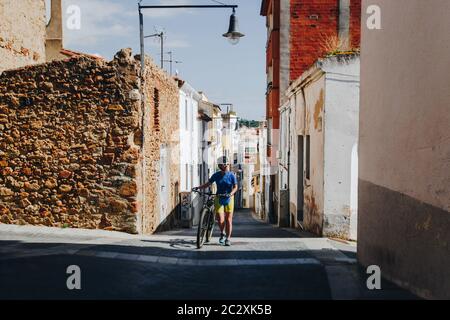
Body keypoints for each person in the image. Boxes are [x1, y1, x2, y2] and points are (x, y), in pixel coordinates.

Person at [194, 156, 238, 246]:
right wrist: (198, 188)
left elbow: (235, 187)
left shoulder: (231, 175)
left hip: (229, 198)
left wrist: (231, 193)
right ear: (220, 166)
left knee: (228, 220)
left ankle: (228, 238)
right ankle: (222, 233)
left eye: (226, 165)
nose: (225, 167)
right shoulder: (216, 175)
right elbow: (208, 183)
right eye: (222, 165)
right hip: (218, 197)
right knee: (221, 220)